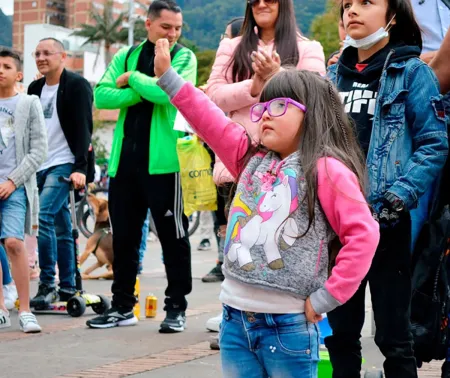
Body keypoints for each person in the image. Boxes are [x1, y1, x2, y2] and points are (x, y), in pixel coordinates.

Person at [154, 39, 379, 378]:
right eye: (262, 108)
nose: (264, 116)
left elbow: (363, 234)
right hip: (233, 319)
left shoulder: (327, 169)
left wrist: (326, 298)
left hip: (288, 325)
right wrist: (170, 79)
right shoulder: (250, 158)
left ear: (311, 111)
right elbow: (208, 119)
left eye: (279, 106)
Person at [326, 0, 449, 375]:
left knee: (395, 338)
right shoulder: (331, 77)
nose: (352, 11)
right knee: (340, 334)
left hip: (387, 223)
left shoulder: (412, 72)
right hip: (337, 228)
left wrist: (399, 197)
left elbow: (434, 143)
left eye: (366, 3)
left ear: (393, 15)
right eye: (347, 5)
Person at [203, 0, 326, 330]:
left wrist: (276, 77)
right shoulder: (232, 46)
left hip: (291, 167)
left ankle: (289, 315)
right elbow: (212, 95)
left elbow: (317, 94)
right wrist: (255, 86)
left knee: (284, 242)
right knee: (239, 238)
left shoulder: (307, 47)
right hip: (238, 160)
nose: (261, 3)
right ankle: (236, 309)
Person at [87, 0, 197, 333]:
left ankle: (176, 307)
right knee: (124, 238)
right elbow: (102, 96)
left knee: (173, 237)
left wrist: (132, 80)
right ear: (148, 24)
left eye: (177, 28)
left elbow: (171, 95)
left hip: (164, 164)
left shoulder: (184, 56)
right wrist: (145, 86)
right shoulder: (126, 54)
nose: (173, 34)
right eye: (166, 27)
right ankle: (122, 306)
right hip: (124, 164)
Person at [28, 38, 94, 308]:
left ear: (62, 56)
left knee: (42, 216)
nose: (41, 57)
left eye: (47, 53)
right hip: (38, 165)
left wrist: (81, 168)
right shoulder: (35, 88)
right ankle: (67, 286)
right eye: (37, 53)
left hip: (64, 163)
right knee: (62, 227)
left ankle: (46, 284)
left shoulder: (76, 85)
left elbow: (84, 128)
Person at [0, 48, 47, 332]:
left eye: (6, 66)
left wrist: (12, 181)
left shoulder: (28, 103)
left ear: (18, 74)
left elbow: (39, 150)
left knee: (14, 243)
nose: (0, 70)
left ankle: (25, 309)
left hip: (14, 186)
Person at [200, 17, 245, 285]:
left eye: (226, 36)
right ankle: (223, 264)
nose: (222, 41)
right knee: (223, 216)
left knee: (237, 223)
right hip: (219, 160)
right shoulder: (221, 75)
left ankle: (230, 274)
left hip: (238, 160)